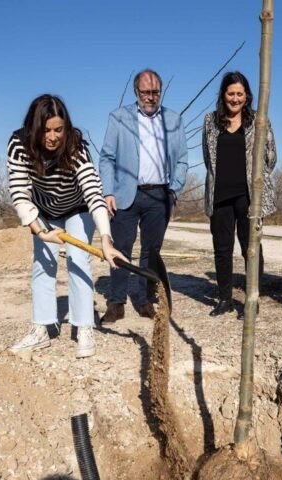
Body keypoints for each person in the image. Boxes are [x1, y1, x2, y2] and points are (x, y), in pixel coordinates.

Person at [7, 94, 124, 358]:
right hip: (43, 212)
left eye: (58, 129)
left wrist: (106, 238)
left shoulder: (75, 145)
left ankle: (83, 327)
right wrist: (41, 232)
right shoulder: (19, 144)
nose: (52, 137)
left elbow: (94, 193)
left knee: (78, 259)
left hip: (77, 208)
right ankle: (42, 329)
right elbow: (20, 193)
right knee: (43, 264)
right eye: (46, 130)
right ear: (34, 129)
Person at [99, 69, 188, 323]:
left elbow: (182, 159)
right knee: (120, 248)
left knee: (152, 250)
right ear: (136, 92)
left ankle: (145, 299)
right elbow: (107, 157)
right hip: (125, 194)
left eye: (155, 92)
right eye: (146, 92)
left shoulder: (173, 120)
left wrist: (174, 190)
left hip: (159, 195)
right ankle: (116, 302)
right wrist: (107, 192)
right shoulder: (119, 118)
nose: (151, 97)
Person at [202, 71, 277, 317]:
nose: (235, 99)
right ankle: (225, 299)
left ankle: (252, 300)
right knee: (222, 249)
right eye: (231, 94)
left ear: (248, 95)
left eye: (240, 94)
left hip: (249, 196)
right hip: (220, 194)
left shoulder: (259, 120)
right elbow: (208, 158)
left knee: (251, 248)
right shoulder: (210, 121)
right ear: (223, 95)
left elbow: (271, 157)